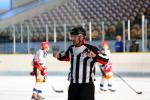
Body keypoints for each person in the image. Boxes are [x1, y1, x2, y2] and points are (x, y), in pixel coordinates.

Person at [53, 26, 109, 100]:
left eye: (74, 37)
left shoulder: (91, 48)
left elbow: (105, 60)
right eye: (71, 36)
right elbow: (63, 56)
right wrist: (56, 55)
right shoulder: (71, 49)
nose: (72, 39)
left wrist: (95, 56)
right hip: (73, 85)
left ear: (81, 37)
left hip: (87, 86)